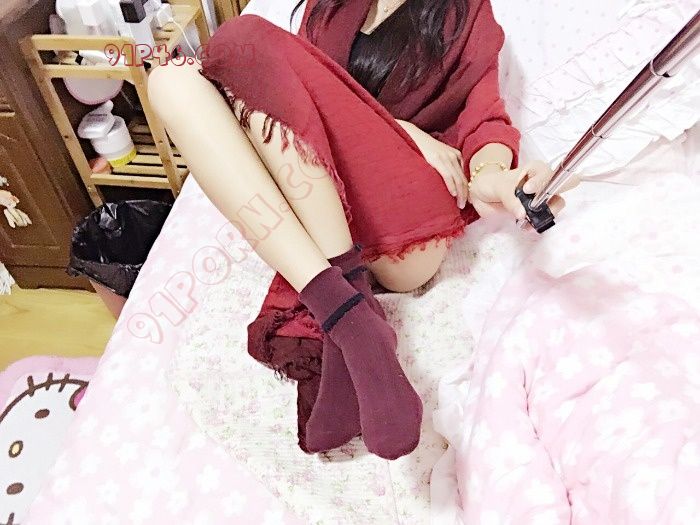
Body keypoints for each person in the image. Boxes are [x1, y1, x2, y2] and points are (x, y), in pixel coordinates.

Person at [148, 0, 576, 460]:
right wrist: (402, 127)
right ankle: (350, 316)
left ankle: (346, 315)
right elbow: (304, 104)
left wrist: (495, 177)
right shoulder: (330, 7)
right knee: (170, 78)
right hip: (329, 205)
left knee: (239, 37)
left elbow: (485, 118)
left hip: (405, 225)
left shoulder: (465, 13)